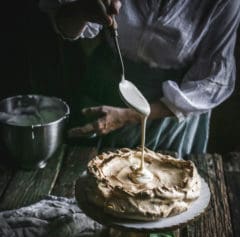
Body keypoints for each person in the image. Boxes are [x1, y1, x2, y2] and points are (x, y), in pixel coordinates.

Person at [39, 0, 240, 157]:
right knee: (87, 179)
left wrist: (128, 116)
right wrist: (82, 10)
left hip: (168, 109)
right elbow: (63, 22)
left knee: (156, 190)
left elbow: (212, 82)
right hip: (105, 83)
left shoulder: (222, 3)